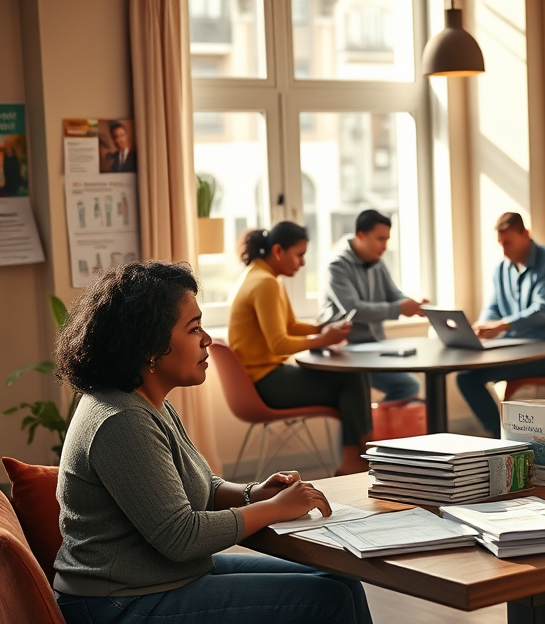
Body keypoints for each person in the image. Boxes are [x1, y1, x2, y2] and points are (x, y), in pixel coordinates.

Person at [51, 261, 372, 624]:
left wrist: (254, 493)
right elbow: (181, 536)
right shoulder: (121, 419)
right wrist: (276, 508)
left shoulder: (148, 404)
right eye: (194, 329)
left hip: (161, 578)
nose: (208, 339)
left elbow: (200, 486)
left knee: (342, 580)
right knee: (327, 600)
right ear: (150, 345)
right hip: (118, 602)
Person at [228, 222, 373, 475]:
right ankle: (361, 453)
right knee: (351, 380)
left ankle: (355, 456)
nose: (303, 262)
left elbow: (290, 325)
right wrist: (325, 340)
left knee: (351, 380)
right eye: (299, 254)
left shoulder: (261, 275)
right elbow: (279, 343)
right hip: (267, 384)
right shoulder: (266, 283)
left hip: (262, 379)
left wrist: (323, 329)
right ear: (278, 251)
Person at [456, 212, 545, 436]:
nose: (504, 250)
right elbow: (493, 306)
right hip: (514, 350)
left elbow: (544, 310)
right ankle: (500, 435)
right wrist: (484, 324)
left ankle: (500, 439)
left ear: (525, 235)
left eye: (508, 242)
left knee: (468, 379)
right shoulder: (502, 268)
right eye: (500, 244)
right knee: (466, 377)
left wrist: (502, 326)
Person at [321, 209, 426, 402]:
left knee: (409, 385)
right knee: (362, 399)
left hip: (373, 348)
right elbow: (354, 310)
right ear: (360, 235)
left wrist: (413, 305)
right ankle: (372, 428)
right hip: (343, 352)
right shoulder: (337, 266)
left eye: (387, 239)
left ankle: (377, 427)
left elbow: (393, 295)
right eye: (380, 239)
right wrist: (399, 309)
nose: (385, 246)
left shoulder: (377, 262)